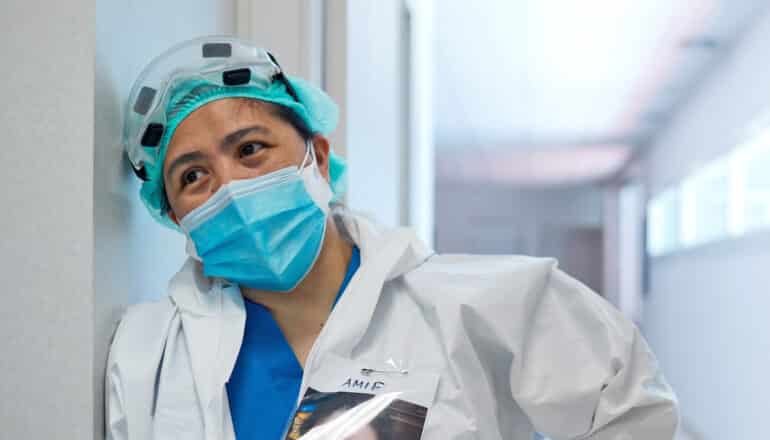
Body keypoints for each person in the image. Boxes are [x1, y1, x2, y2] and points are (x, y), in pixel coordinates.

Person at [105, 36, 679, 440]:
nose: (229, 189)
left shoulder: (481, 304)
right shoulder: (148, 353)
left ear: (318, 160)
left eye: (251, 149)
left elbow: (630, 414)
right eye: (193, 177)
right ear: (177, 217)